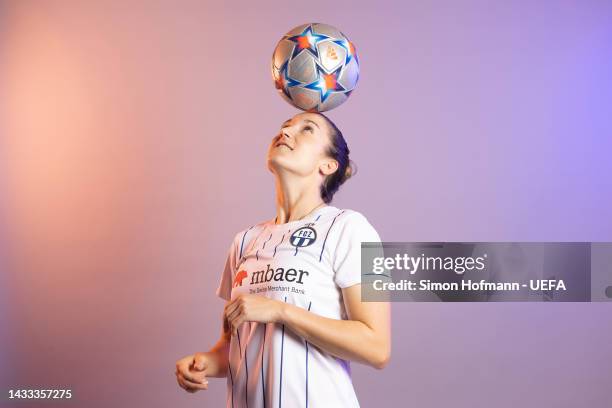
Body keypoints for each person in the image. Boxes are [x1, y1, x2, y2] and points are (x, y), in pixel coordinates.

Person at [175, 111, 391, 407]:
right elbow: (236, 345)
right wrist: (205, 363)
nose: (286, 133)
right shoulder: (244, 241)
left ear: (328, 165)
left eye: (307, 129)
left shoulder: (352, 229)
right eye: (284, 127)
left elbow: (377, 347)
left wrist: (280, 311)